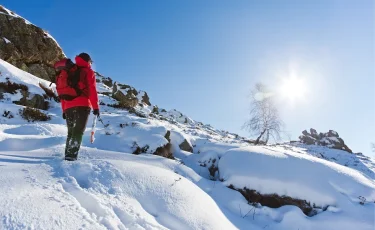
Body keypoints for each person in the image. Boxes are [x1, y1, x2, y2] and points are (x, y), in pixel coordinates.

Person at [61, 53, 99, 161]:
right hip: (82, 106)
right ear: (87, 61)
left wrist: (64, 109)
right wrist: (96, 107)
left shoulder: (68, 72)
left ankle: (68, 155)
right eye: (90, 62)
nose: (91, 64)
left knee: (71, 132)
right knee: (78, 131)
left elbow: (63, 92)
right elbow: (92, 90)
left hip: (68, 107)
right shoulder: (88, 72)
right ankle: (71, 158)